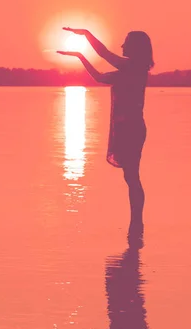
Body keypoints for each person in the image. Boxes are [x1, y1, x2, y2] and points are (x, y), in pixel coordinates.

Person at [58, 28, 154, 227]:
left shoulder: (134, 68)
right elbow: (99, 77)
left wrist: (86, 34)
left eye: (126, 42)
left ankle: (137, 222)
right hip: (127, 128)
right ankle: (136, 224)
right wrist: (80, 56)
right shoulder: (128, 70)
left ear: (136, 47)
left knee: (133, 177)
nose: (122, 45)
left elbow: (103, 53)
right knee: (130, 177)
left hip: (132, 128)